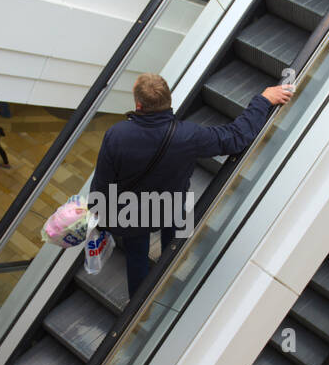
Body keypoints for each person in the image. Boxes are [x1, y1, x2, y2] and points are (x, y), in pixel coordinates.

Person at [90, 73, 293, 296]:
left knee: (136, 254)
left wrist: (101, 219)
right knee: (175, 243)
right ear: (168, 101)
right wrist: (262, 100)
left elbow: (102, 184)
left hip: (131, 213)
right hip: (174, 205)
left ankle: (137, 301)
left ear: (138, 104)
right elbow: (236, 137)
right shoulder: (188, 135)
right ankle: (168, 277)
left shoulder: (116, 135)